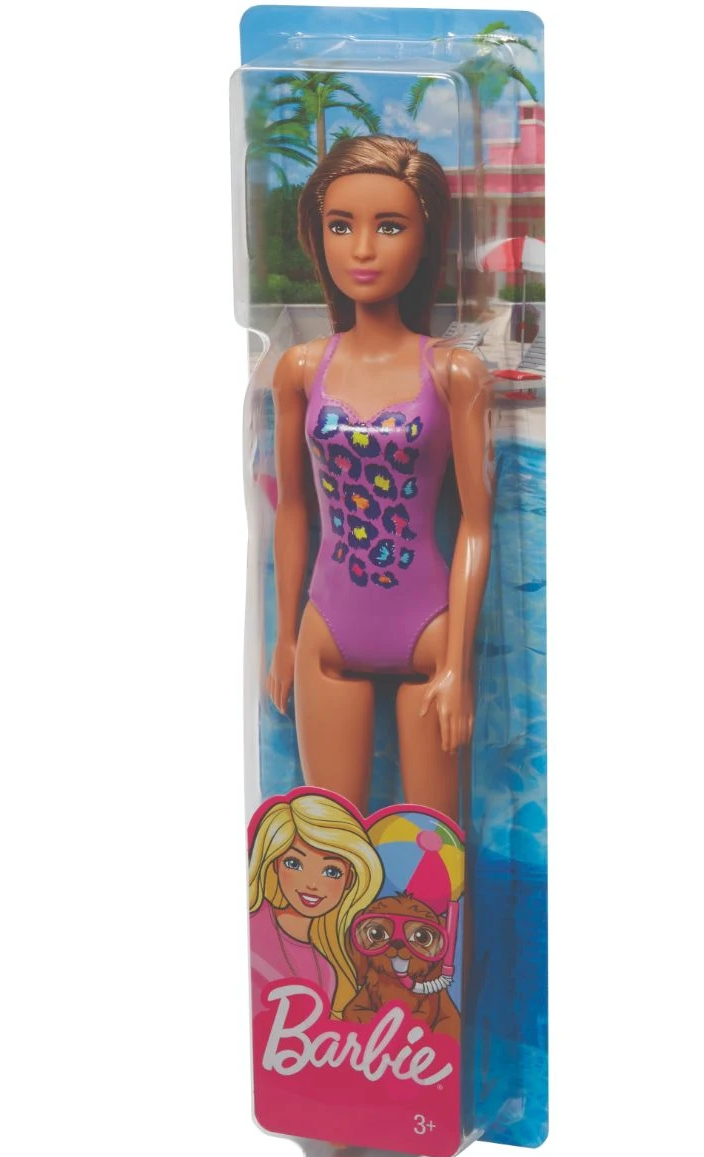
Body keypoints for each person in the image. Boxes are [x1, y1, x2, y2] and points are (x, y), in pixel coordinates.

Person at [264, 135, 493, 819]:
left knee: (432, 852)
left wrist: (458, 666)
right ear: (318, 236)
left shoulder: (454, 372)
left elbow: (476, 524)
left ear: (426, 241)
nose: (362, 250)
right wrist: (284, 636)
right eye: (341, 226)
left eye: (389, 227)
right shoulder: (301, 369)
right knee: (331, 840)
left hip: (429, 631)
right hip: (327, 630)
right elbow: (292, 509)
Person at [247, 790, 384, 1020]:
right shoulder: (253, 928)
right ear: (275, 864)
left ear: (350, 879)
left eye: (332, 871)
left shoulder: (330, 968)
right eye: (294, 863)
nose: (311, 884)